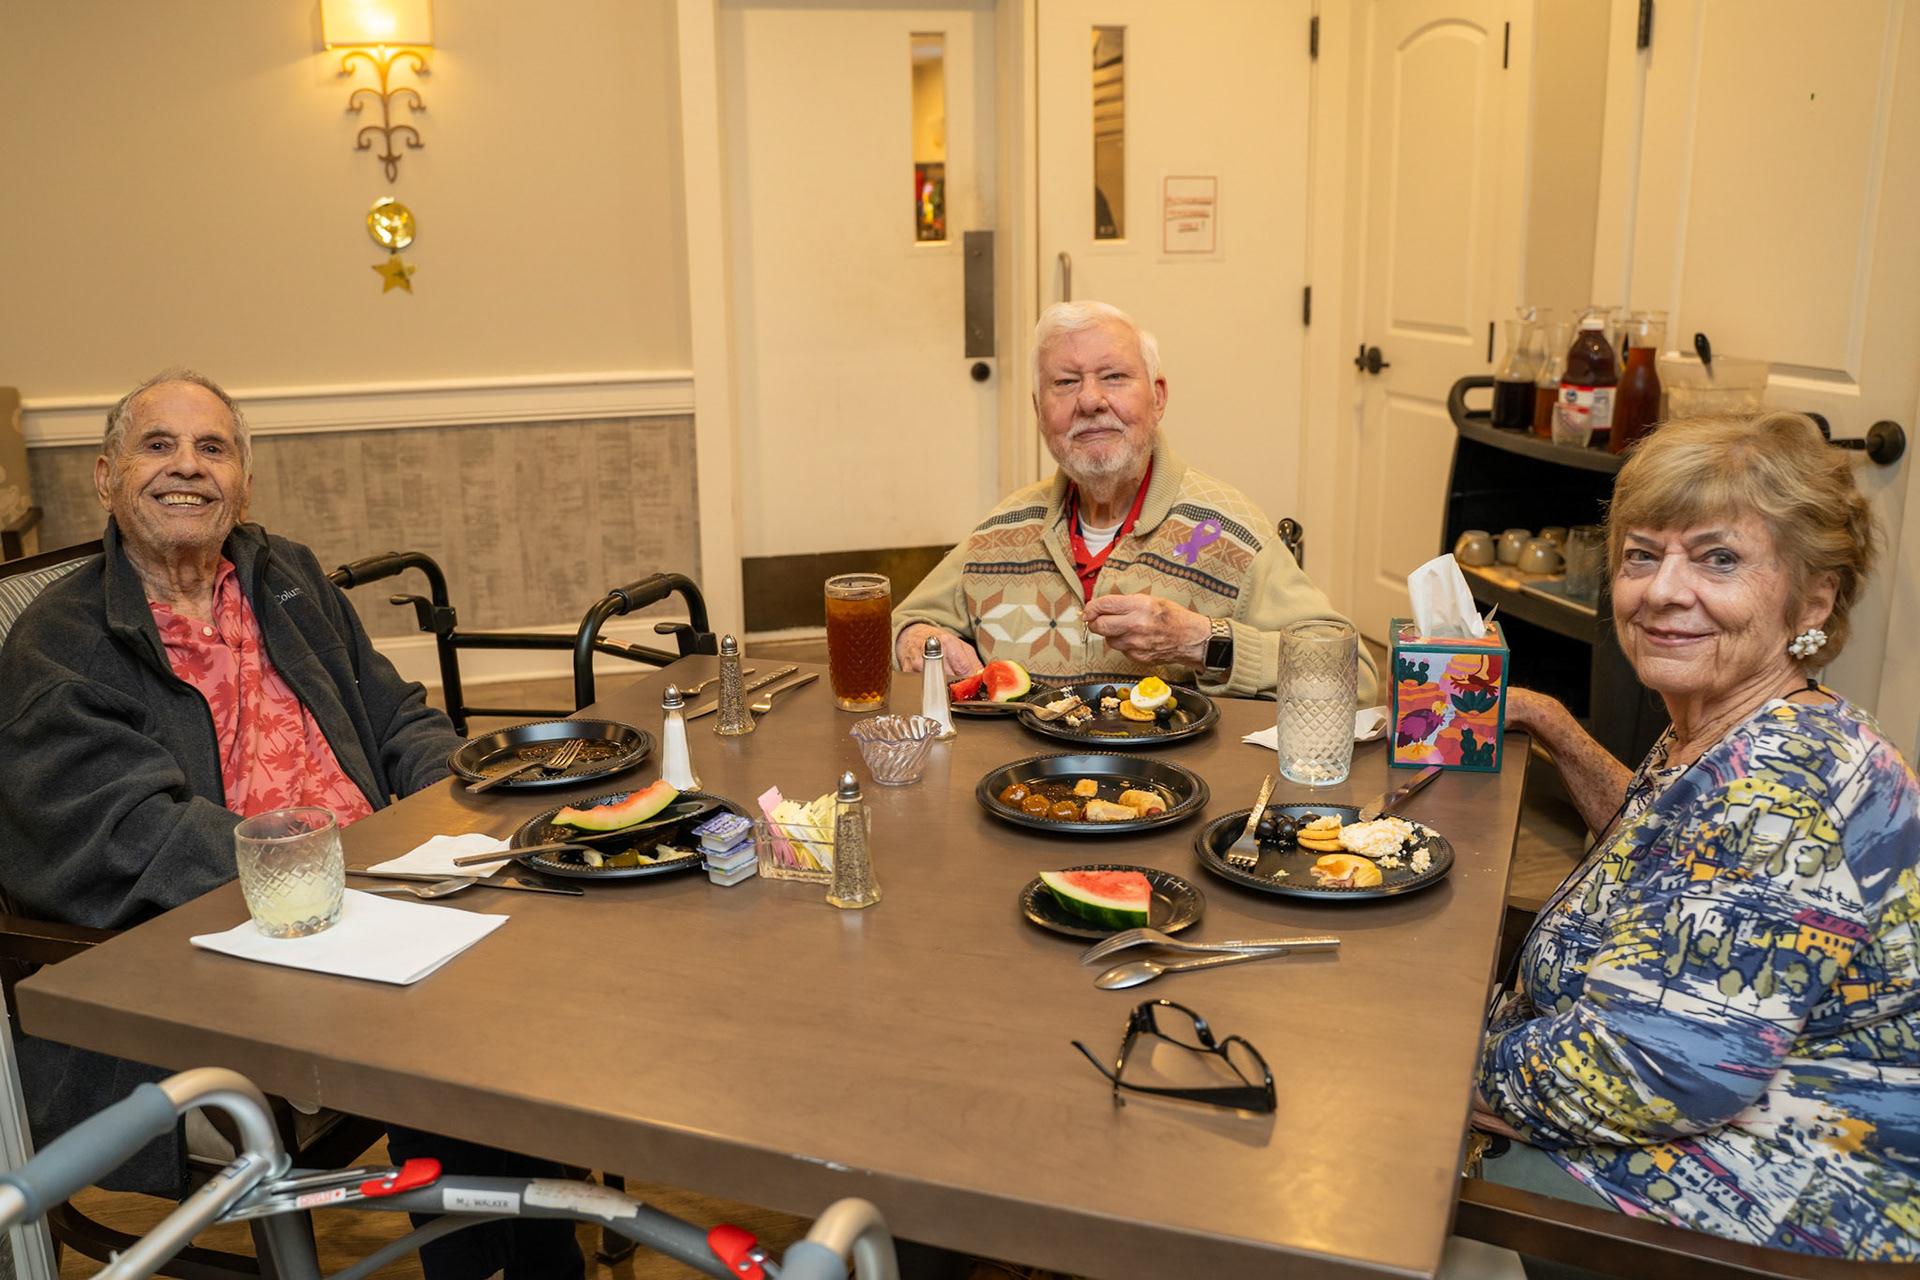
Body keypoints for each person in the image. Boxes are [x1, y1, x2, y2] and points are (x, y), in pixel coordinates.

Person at [0, 370, 584, 1279]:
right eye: (158, 446)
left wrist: (463, 807)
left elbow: (396, 717)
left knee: (551, 941)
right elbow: (133, 840)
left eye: (212, 447)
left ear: (243, 483)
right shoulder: (62, 647)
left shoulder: (285, 578)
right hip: (219, 948)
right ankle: (502, 1262)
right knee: (451, 1017)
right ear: (106, 477)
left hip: (394, 884)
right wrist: (342, 881)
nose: (187, 467)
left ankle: (535, 1256)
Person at [1475, 412, 1919, 1262]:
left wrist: (1437, 1067)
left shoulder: (1781, 792)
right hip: (1667, 1112)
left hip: (1756, 1200)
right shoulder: (1742, 723)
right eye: (1642, 555)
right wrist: (1556, 725)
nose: (1662, 591)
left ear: (1812, 600)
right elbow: (1672, 847)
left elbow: (1648, 1073)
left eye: (1719, 559)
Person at [893, 301, 1378, 704]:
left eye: (1114, 376)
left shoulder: (1230, 533)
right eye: (1065, 382)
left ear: (1158, 398)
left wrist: (1204, 643)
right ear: (1039, 411)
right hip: (1021, 785)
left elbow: (1352, 676)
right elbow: (904, 625)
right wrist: (917, 640)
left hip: (1176, 786)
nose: (1090, 401)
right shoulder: (1001, 530)